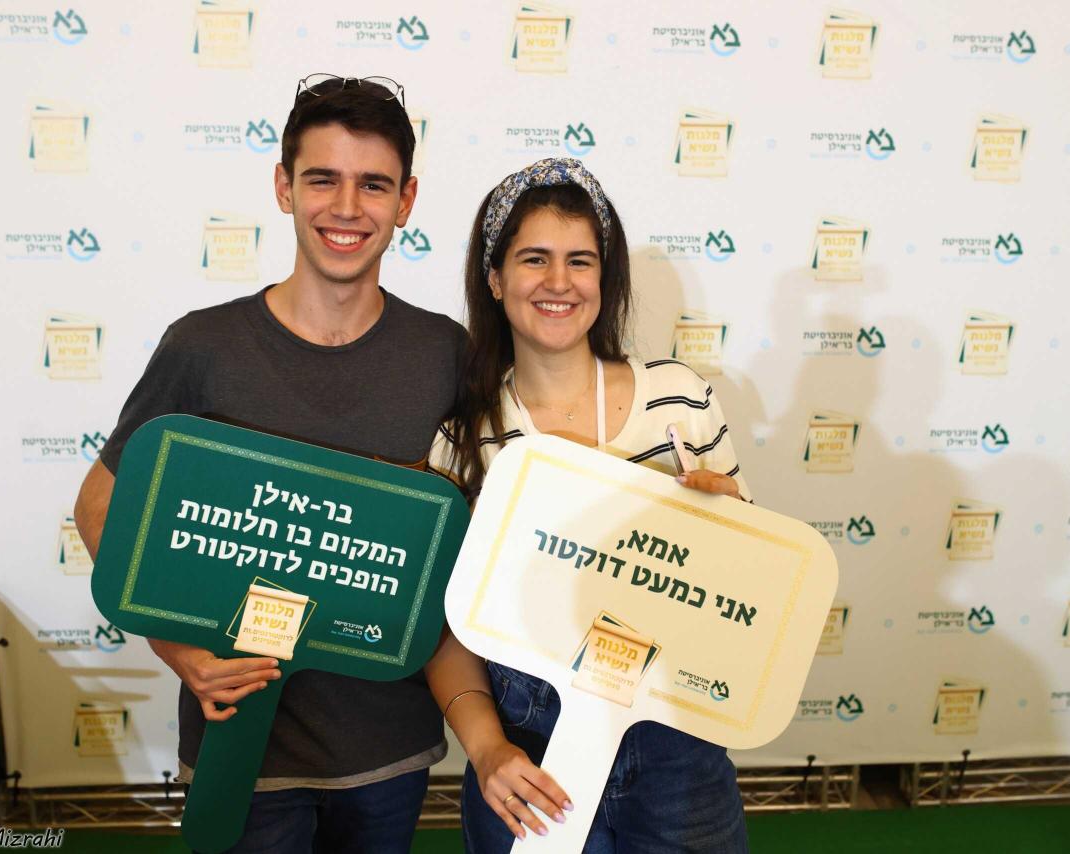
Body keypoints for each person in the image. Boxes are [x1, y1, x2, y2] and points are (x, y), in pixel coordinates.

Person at [74, 74, 465, 853]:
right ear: (284, 187)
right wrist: (180, 651)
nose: (347, 207)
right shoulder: (203, 345)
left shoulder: (446, 353)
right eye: (322, 179)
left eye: (373, 184)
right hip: (241, 742)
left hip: (388, 746)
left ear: (407, 200)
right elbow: (100, 506)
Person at [425, 158, 751, 852]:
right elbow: (446, 628)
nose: (558, 282)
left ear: (605, 278)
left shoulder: (680, 401)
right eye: (533, 259)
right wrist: (487, 749)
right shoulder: (464, 440)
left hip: (678, 754)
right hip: (530, 757)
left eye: (580, 261)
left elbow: (745, 601)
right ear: (495, 278)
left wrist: (734, 534)